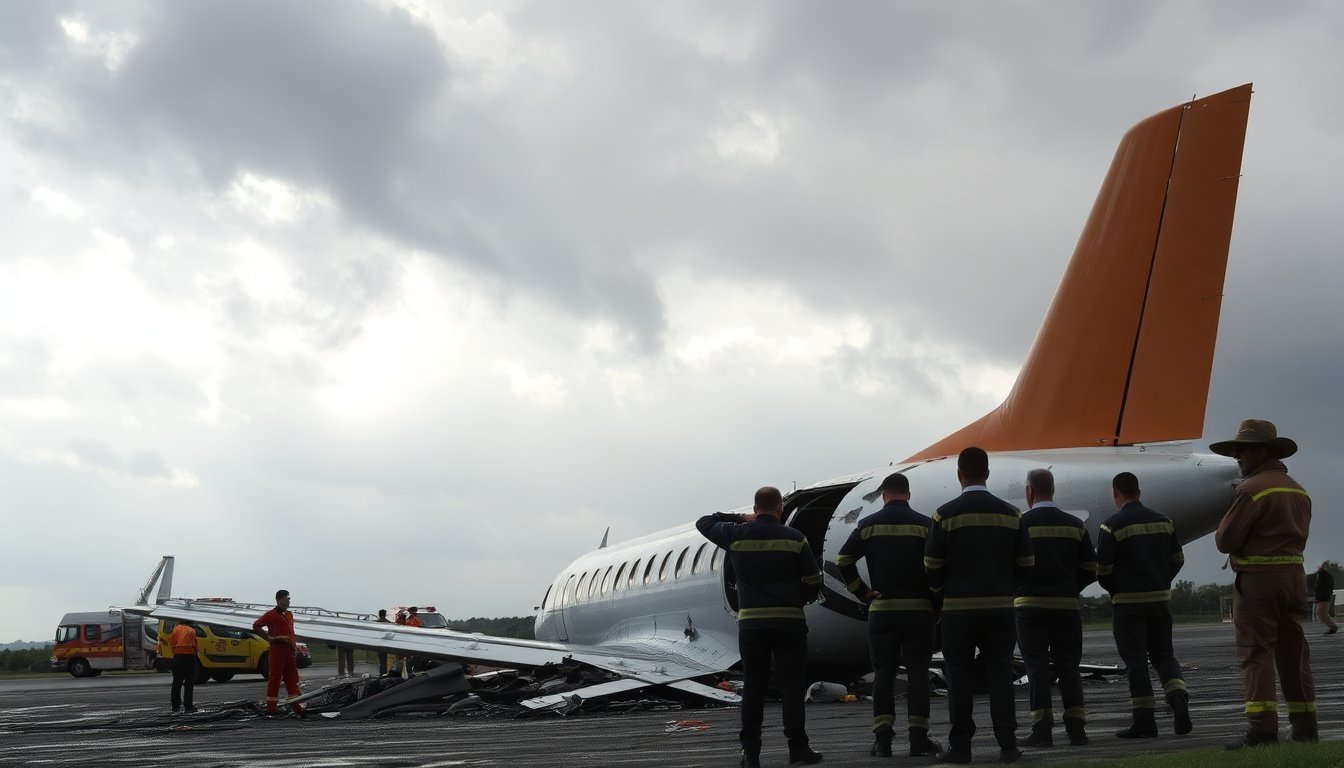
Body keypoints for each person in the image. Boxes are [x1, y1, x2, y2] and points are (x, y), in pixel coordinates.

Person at [697, 486, 825, 768]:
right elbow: (814, 579)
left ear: (755, 510)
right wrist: (801, 598)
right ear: (781, 509)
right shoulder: (795, 538)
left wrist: (740, 518)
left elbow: (704, 522)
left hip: (753, 624)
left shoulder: (737, 535)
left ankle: (751, 753)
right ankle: (798, 748)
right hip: (789, 621)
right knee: (792, 686)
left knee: (755, 686)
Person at [923, 447, 1034, 764]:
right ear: (987, 473)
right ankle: (1008, 746)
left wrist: (941, 592)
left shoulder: (944, 515)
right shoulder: (1012, 515)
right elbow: (1027, 562)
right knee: (1001, 674)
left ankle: (960, 748)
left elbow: (932, 564)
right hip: (1000, 608)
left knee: (958, 676)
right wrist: (1008, 587)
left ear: (959, 475)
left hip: (958, 610)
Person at [1211, 419, 1316, 747]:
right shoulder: (1297, 489)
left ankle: (1262, 730)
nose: (1237, 457)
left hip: (1258, 583)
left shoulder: (1251, 490)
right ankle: (1305, 727)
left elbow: (1226, 541)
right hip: (1294, 580)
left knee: (1256, 654)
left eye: (1241, 450)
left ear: (1259, 451)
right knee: (1293, 654)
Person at [833, 471, 942, 758]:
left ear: (884, 494)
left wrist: (862, 592)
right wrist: (936, 602)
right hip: (919, 612)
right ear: (908, 494)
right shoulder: (925, 525)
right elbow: (938, 565)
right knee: (918, 674)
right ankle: (919, 740)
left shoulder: (867, 525)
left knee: (883, 675)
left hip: (882, 612)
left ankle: (883, 741)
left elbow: (843, 560)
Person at [1095, 472, 1190, 739]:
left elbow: (1102, 569)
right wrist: (1161, 581)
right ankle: (1178, 698)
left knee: (1135, 660)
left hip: (1128, 604)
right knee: (1164, 656)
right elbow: (1178, 559)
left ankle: (1144, 720)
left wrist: (1115, 588)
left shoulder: (1111, 526)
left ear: (1116, 494)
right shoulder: (1164, 521)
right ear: (1139, 490)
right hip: (1160, 601)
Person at [1013, 468, 1097, 748]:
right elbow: (1089, 568)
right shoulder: (1074, 525)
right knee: (1069, 666)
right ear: (1053, 490)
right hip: (1066, 606)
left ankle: (1042, 729)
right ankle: (1077, 729)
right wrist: (1071, 588)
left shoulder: (1019, 524)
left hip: (1029, 606)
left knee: (1036, 666)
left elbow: (1009, 566)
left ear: (1029, 491)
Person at [252, 589, 306, 717]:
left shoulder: (289, 615)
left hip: (289, 651)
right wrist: (270, 638)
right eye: (287, 598)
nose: (289, 600)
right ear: (280, 599)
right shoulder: (271, 614)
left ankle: (296, 704)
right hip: (277, 650)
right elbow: (256, 625)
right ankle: (271, 708)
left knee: (292, 678)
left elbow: (291, 633)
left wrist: (294, 649)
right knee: (275, 678)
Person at [168, 621, 200, 714]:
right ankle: (188, 706)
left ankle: (175, 706)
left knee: (176, 682)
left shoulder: (176, 629)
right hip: (189, 657)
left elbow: (173, 644)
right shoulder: (192, 630)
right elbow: (195, 646)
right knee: (189, 683)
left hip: (177, 657)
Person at [1314, 564, 1338, 635]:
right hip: (1324, 597)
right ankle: (1332, 626)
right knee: (1321, 613)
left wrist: (1319, 597)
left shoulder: (1323, 577)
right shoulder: (1326, 576)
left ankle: (1333, 626)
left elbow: (1321, 588)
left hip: (1323, 598)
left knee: (1322, 613)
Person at [375, 609, 393, 674]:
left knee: (381, 659)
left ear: (379, 615)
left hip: (379, 643)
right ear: (385, 615)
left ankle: (382, 672)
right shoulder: (388, 623)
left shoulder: (376, 623)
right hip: (385, 643)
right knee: (384, 660)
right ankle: (384, 672)